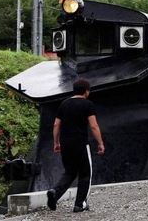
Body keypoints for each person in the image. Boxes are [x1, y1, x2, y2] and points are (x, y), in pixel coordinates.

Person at [46, 79, 105, 212]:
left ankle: (55, 193)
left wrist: (56, 142)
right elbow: (94, 126)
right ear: (86, 91)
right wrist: (100, 143)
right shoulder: (87, 104)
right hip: (80, 143)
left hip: (66, 144)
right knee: (85, 174)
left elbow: (56, 125)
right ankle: (80, 204)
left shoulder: (64, 104)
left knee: (70, 172)